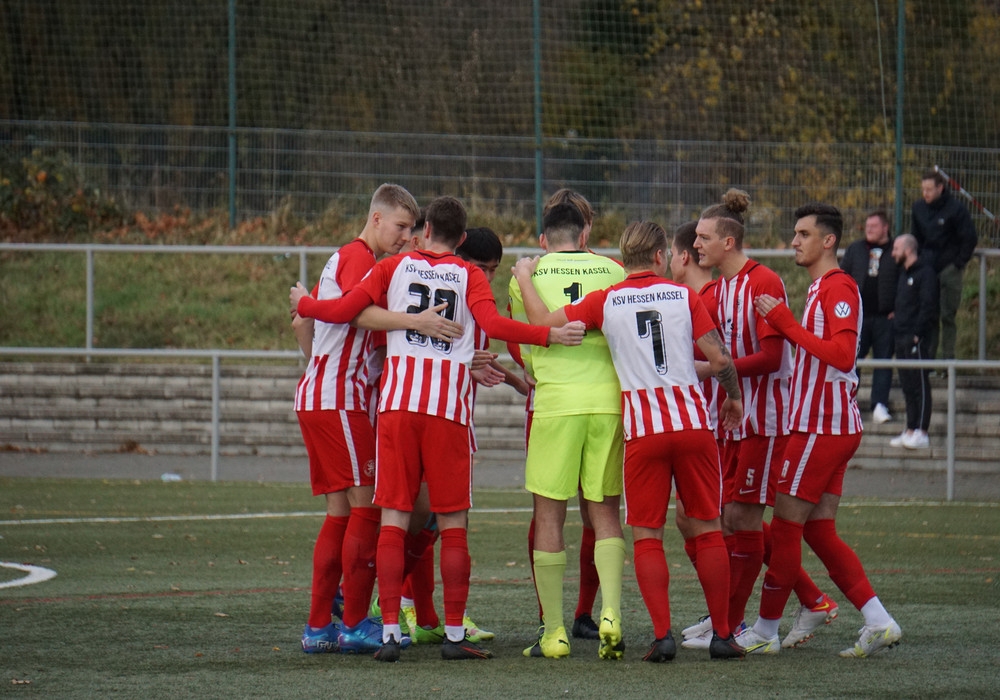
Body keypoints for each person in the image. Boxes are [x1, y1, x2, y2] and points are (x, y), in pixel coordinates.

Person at [293, 195, 586, 662]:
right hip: (446, 413)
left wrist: (304, 302)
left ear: (424, 229)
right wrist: (549, 334)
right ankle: (451, 634)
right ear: (463, 239)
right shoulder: (469, 276)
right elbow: (493, 323)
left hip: (396, 409)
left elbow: (346, 308)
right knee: (452, 525)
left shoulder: (394, 268)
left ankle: (389, 630)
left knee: (392, 518)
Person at [513, 220, 746, 661]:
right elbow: (719, 359)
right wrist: (733, 398)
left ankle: (662, 636)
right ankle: (722, 634)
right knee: (708, 529)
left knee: (648, 535)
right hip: (692, 426)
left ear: (621, 259)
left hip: (643, 431)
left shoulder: (607, 300)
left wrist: (524, 276)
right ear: (661, 257)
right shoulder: (685, 296)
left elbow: (542, 322)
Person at [738, 202, 903, 657]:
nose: (794, 241)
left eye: (803, 233)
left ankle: (765, 631)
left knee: (786, 527)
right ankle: (878, 621)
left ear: (828, 241)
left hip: (820, 427)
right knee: (818, 531)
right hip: (823, 426)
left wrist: (785, 326)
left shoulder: (839, 287)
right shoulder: (818, 289)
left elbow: (843, 355)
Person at [684, 189, 838, 652]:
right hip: (730, 420)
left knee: (738, 518)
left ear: (728, 242)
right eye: (693, 240)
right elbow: (704, 350)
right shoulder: (716, 289)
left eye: (703, 237)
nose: (696, 246)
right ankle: (740, 617)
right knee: (729, 521)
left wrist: (718, 368)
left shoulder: (763, 282)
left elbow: (772, 357)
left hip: (764, 420)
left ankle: (730, 626)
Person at [292, 183, 440, 654]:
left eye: (410, 230)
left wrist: (320, 367)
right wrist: (416, 322)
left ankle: (320, 628)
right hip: (340, 400)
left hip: (325, 395)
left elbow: (302, 323)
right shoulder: (357, 257)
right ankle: (353, 621)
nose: (403, 237)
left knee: (341, 513)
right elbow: (357, 315)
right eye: (399, 227)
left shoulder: (353, 259)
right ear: (376, 219)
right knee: (368, 509)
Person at [508, 202, 627, 660]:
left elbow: (525, 348)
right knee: (605, 513)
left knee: (550, 515)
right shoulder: (613, 271)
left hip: (556, 404)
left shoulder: (528, 275)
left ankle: (554, 633)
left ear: (544, 239)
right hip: (607, 402)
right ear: (583, 235)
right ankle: (611, 614)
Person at [910, 168, 977, 362]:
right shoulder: (918, 208)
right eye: (923, 189)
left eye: (929, 189)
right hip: (927, 269)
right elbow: (916, 237)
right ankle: (928, 361)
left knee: (948, 315)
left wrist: (958, 263)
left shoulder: (956, 209)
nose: (925, 194)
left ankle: (948, 361)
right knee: (929, 315)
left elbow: (969, 237)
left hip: (949, 269)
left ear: (940, 188)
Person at [840, 210, 899, 424]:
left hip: (885, 318)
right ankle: (848, 403)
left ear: (885, 228)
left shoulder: (895, 250)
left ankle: (879, 405)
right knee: (853, 361)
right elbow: (843, 277)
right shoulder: (856, 249)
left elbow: (903, 280)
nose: (869, 230)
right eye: (867, 226)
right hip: (858, 317)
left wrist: (897, 308)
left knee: (883, 361)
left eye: (873, 226)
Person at [888, 233, 938, 450]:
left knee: (920, 384)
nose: (893, 253)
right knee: (907, 386)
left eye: (896, 249)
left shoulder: (925, 273)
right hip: (900, 336)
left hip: (915, 338)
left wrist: (918, 332)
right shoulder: (903, 273)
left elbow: (928, 306)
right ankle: (910, 428)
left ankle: (922, 431)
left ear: (908, 250)